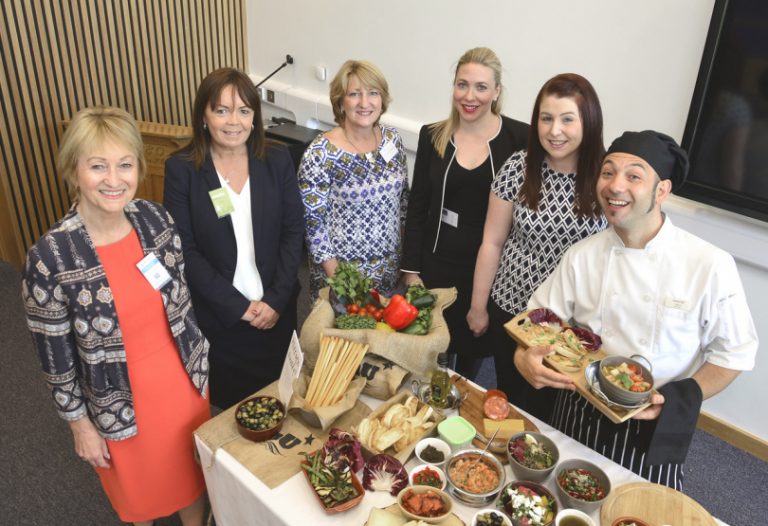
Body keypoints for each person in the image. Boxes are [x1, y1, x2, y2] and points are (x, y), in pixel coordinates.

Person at [517, 130, 758, 490]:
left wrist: (674, 400)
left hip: (653, 420)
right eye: (608, 172)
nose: (615, 186)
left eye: (634, 176)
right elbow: (535, 319)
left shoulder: (708, 265)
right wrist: (524, 358)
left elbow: (734, 354)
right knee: (555, 498)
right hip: (578, 406)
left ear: (662, 191)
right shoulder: (582, 255)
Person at [21, 106, 210, 526]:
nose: (114, 179)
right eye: (97, 166)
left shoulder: (156, 220)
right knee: (138, 500)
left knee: (192, 481)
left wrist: (201, 362)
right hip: (118, 403)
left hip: (183, 385)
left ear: (139, 169)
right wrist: (80, 426)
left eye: (125, 165)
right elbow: (55, 361)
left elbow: (182, 302)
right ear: (73, 171)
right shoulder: (50, 258)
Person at [164, 68, 304, 409]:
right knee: (233, 414)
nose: (234, 121)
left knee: (282, 400)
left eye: (243, 110)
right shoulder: (182, 169)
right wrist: (239, 307)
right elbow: (185, 251)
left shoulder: (277, 159)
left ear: (255, 116)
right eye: (221, 110)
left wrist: (275, 299)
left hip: (277, 312)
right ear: (203, 116)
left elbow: (292, 231)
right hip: (222, 318)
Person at [468, 73, 607, 412]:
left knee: (560, 409)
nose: (554, 130)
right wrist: (478, 306)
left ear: (588, 123)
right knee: (513, 400)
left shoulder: (605, 178)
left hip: (572, 323)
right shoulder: (518, 166)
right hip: (514, 307)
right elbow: (492, 241)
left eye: (567, 119)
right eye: (546, 118)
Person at [401, 47, 528, 380]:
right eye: (462, 85)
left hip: (486, 273)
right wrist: (411, 273)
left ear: (497, 91)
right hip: (436, 267)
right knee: (431, 358)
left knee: (473, 359)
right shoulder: (433, 135)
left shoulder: (521, 139)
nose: (470, 96)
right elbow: (417, 209)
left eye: (481, 87)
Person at [298, 60, 409, 298]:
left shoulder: (393, 140)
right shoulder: (321, 153)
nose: (364, 103)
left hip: (390, 275)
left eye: (373, 93)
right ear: (340, 101)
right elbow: (312, 223)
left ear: (382, 99)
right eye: (354, 94)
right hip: (342, 280)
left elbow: (403, 205)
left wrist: (405, 262)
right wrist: (342, 283)